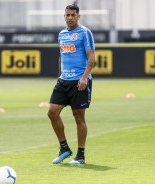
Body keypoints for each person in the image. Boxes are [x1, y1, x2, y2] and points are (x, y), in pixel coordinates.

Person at [47, 4, 95, 165]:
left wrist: (84, 78)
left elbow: (92, 58)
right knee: (52, 112)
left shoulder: (85, 33)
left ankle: (80, 155)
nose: (69, 17)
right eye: (67, 15)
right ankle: (64, 148)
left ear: (78, 16)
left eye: (73, 15)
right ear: (64, 16)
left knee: (78, 117)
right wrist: (59, 75)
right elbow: (62, 56)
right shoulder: (61, 34)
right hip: (63, 80)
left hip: (79, 81)